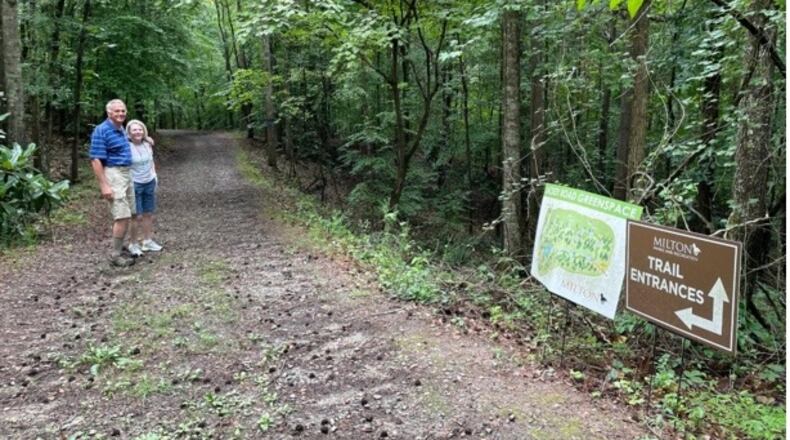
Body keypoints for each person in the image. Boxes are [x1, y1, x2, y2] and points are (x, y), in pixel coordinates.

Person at [90, 99, 136, 267]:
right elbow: (95, 160)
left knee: (129, 213)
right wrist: (104, 185)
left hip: (126, 172)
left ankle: (121, 247)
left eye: (123, 111)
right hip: (113, 173)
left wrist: (147, 140)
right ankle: (115, 255)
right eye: (117, 111)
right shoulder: (101, 130)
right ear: (109, 113)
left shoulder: (120, 128)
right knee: (121, 215)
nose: (121, 114)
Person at [125, 119, 163, 256]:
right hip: (134, 183)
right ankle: (133, 244)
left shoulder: (148, 144)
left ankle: (147, 241)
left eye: (140, 129)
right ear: (129, 133)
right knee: (136, 216)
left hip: (149, 181)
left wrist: (155, 176)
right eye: (134, 130)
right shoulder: (125, 146)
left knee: (148, 213)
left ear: (144, 131)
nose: (138, 132)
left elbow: (151, 161)